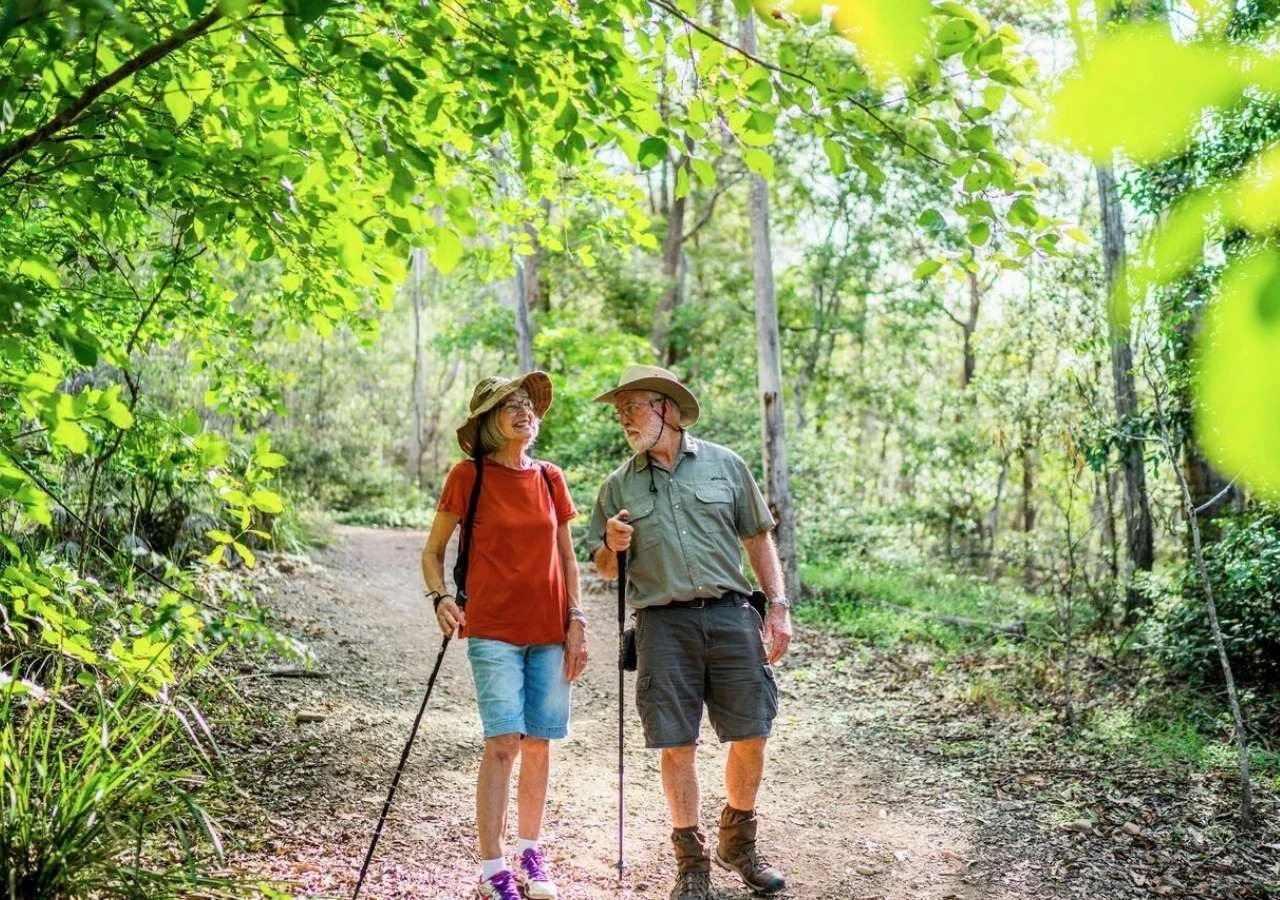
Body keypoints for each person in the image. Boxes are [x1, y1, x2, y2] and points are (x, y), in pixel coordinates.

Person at [586, 364, 793, 900]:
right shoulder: (617, 486)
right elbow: (605, 569)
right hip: (661, 624)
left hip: (730, 615)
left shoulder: (726, 466)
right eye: (619, 411)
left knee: (752, 733)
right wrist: (611, 544)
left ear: (667, 410)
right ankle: (691, 861)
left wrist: (779, 606)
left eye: (632, 407)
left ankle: (738, 843)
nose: (623, 419)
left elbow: (758, 538)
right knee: (676, 744)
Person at [421, 371, 587, 900]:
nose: (523, 412)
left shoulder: (550, 478)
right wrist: (441, 597)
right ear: (489, 422)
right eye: (508, 406)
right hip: (492, 629)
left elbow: (567, 556)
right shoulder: (468, 477)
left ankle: (530, 850)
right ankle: (493, 866)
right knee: (503, 743)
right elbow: (433, 552)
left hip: (551, 630)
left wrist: (577, 619)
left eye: (526, 405)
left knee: (538, 743)